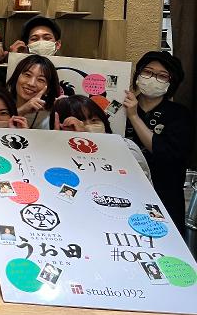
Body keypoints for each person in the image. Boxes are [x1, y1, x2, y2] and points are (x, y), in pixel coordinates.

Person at [123, 51, 192, 235]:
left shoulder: (180, 115)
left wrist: (134, 117)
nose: (152, 78)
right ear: (138, 75)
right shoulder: (120, 107)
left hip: (164, 197)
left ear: (171, 83)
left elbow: (166, 153)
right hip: (124, 190)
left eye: (162, 76)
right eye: (147, 72)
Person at [50, 94, 151, 180]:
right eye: (74, 125)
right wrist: (59, 143)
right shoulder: (53, 152)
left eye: (94, 120)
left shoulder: (127, 148)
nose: (87, 127)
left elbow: (142, 187)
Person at [6, 54, 59, 129]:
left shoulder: (48, 116)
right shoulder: (0, 102)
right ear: (16, 77)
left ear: (48, 89)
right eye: (27, 75)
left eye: (40, 80)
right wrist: (22, 110)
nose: (31, 83)